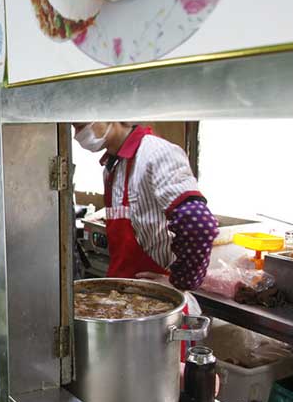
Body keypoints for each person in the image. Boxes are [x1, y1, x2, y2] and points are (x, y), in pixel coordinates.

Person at [73, 122, 219, 290]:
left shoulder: (156, 153)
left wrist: (180, 282)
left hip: (157, 302)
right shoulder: (111, 169)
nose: (77, 135)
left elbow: (198, 224)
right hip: (122, 294)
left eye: (80, 126)